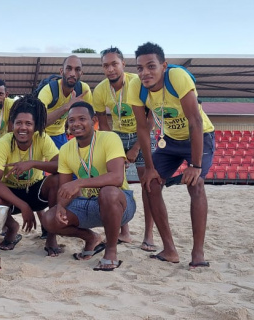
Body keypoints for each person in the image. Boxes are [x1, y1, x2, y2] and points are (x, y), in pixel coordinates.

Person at [129, 42, 216, 269]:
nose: (144, 72)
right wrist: (149, 167)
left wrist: (195, 165)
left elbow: (195, 121)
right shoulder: (136, 87)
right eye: (139, 68)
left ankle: (198, 254)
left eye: (151, 66)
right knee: (151, 184)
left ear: (164, 66)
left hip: (198, 135)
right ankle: (169, 249)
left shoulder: (176, 77)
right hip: (170, 140)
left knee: (195, 184)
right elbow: (142, 128)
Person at [40, 101, 136, 271]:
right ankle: (91, 238)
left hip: (120, 204)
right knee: (49, 218)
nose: (76, 124)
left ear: (93, 120)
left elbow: (117, 177)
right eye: (71, 120)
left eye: (82, 119)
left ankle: (111, 251)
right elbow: (64, 188)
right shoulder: (66, 149)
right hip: (87, 204)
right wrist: (61, 206)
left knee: (108, 192)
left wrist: (80, 182)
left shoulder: (109, 138)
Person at [92, 46, 156, 252]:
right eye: (106, 65)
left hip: (142, 133)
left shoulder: (137, 83)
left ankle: (148, 235)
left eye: (114, 64)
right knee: (116, 182)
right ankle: (124, 232)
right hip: (117, 135)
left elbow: (151, 116)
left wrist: (137, 147)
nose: (110, 69)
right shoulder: (101, 90)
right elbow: (103, 124)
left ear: (123, 65)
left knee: (148, 184)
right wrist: (114, 146)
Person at [0, 95, 61, 256]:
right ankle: (12, 229)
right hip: (12, 193)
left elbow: (60, 166)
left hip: (35, 192)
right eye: (19, 123)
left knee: (57, 180)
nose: (23, 128)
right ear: (12, 124)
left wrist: (32, 163)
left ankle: (51, 237)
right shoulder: (5, 141)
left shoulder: (42, 138)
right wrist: (23, 206)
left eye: (28, 123)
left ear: (36, 126)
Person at [37, 55, 94, 149]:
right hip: (40, 134)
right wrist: (67, 106)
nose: (72, 73)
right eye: (69, 68)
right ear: (61, 71)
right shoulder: (49, 90)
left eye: (77, 69)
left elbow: (90, 119)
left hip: (59, 135)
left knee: (67, 162)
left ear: (81, 73)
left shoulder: (83, 90)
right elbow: (39, 123)